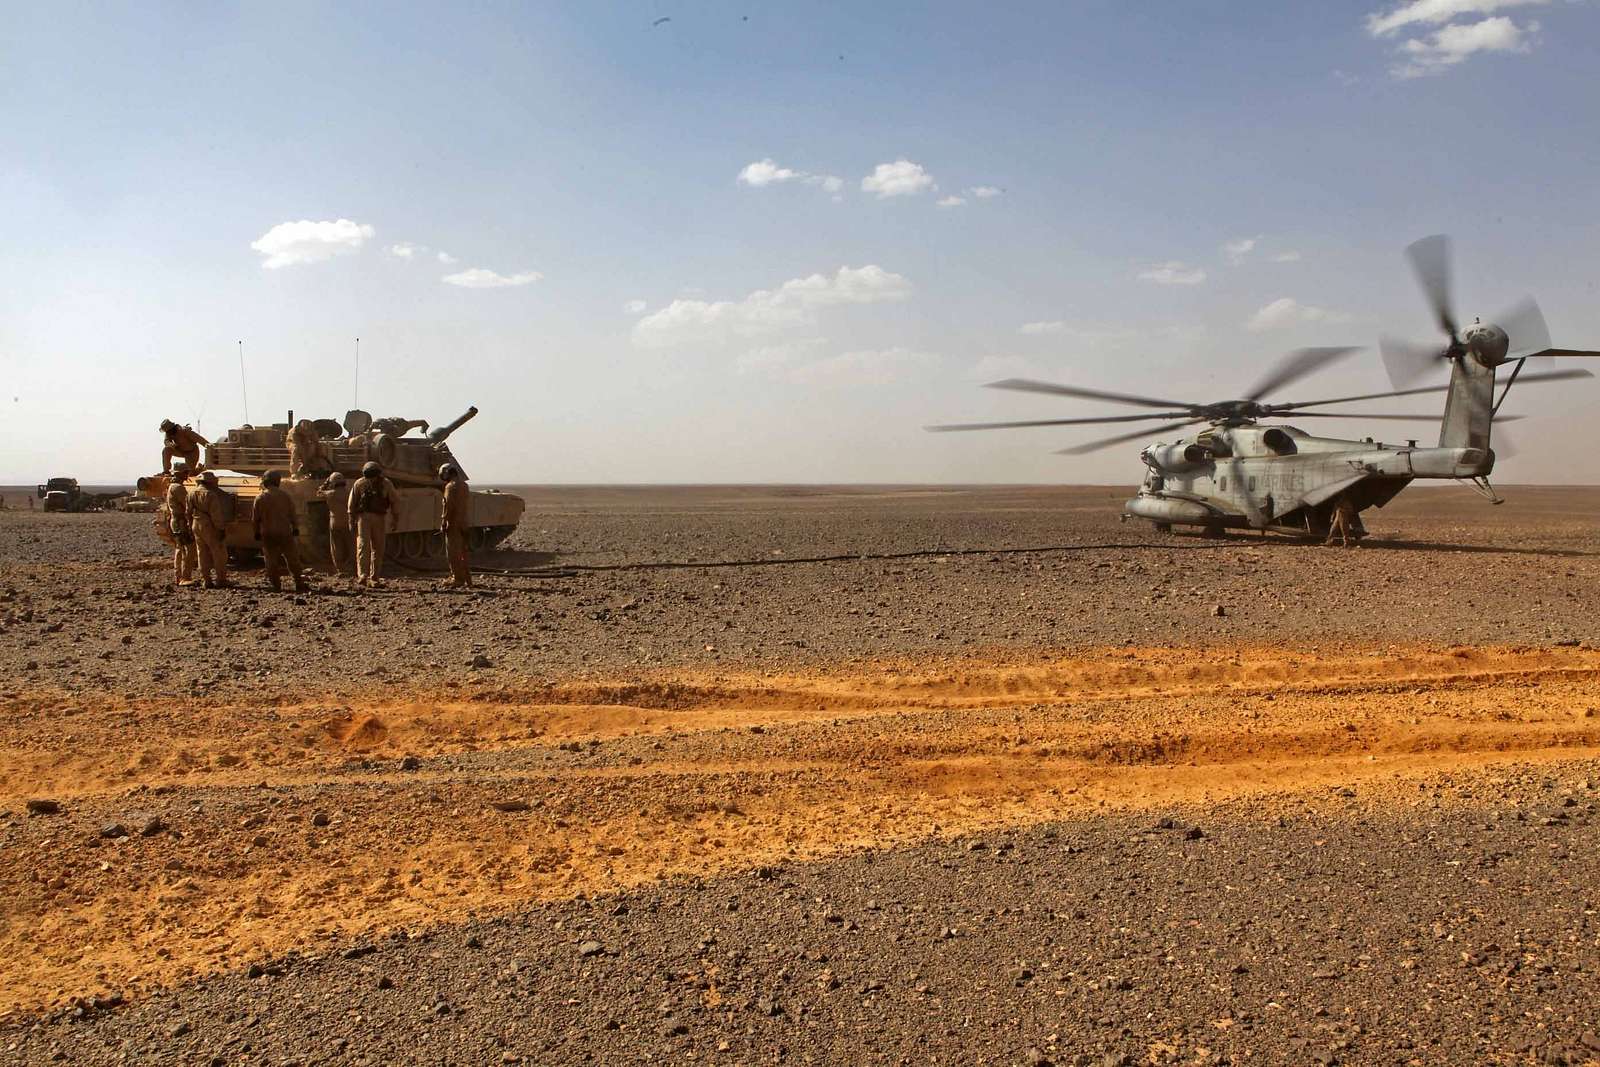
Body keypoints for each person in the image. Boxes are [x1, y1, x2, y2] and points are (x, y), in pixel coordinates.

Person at [253, 470, 308, 592]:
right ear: (277, 481)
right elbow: (292, 514)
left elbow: (255, 519)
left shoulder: (260, 498)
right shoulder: (285, 496)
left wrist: (256, 532)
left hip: (268, 534)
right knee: (292, 558)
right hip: (285, 533)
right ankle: (298, 582)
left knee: (271, 560)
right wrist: (295, 528)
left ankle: (276, 585)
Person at [348, 461, 399, 588]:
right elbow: (352, 503)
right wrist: (395, 518)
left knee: (373, 547)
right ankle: (364, 575)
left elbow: (351, 503)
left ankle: (372, 576)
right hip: (366, 517)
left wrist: (395, 518)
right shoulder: (380, 483)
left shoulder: (381, 483)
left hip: (374, 517)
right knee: (367, 546)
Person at [188, 471, 232, 588]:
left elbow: (188, 512)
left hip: (196, 525)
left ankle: (206, 580)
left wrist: (190, 526)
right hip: (210, 526)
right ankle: (221, 580)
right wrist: (221, 529)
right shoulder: (211, 495)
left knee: (201, 553)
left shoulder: (191, 493)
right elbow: (216, 515)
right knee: (219, 553)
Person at [317, 472, 355, 578]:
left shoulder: (330, 494)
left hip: (335, 522)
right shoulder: (349, 493)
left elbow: (318, 493)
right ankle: (353, 568)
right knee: (351, 545)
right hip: (348, 522)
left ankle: (340, 569)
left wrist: (326, 483)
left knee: (336, 547)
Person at [439, 463, 471, 588]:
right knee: (463, 552)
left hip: (453, 524)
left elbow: (447, 507)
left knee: (453, 553)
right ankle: (467, 578)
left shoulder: (450, 487)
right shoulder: (464, 485)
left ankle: (457, 578)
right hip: (464, 522)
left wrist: (443, 522)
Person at [165, 464, 198, 586]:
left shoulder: (172, 486)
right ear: (179, 474)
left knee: (180, 549)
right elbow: (187, 505)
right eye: (185, 472)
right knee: (188, 549)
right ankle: (185, 577)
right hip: (180, 522)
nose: (187, 475)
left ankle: (178, 576)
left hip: (176, 521)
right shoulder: (178, 488)